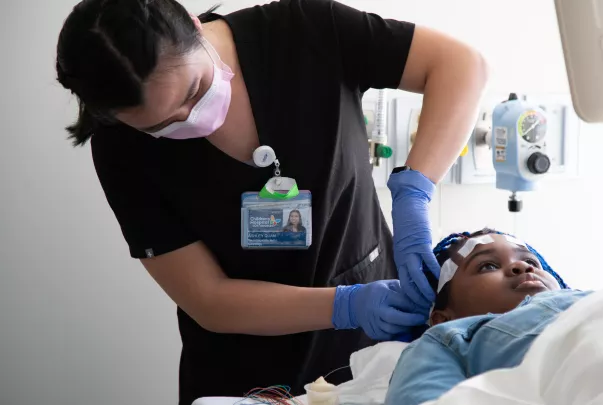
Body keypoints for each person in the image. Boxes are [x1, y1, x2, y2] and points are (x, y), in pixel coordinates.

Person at [54, 0, 487, 403]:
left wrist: (413, 191)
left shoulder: (304, 31)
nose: (191, 120)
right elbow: (209, 299)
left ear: (192, 25)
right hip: (247, 375)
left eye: (194, 91)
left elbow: (459, 65)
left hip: (379, 343)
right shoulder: (119, 148)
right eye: (161, 126)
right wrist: (345, 304)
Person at [384, 229, 589, 405]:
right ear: (443, 319)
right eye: (488, 266)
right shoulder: (444, 340)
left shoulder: (589, 300)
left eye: (530, 260)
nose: (523, 267)